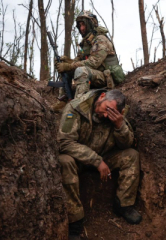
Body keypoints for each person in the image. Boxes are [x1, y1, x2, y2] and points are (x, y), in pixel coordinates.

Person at [57, 89, 141, 239]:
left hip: (104, 155)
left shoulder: (117, 115)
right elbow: (64, 142)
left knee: (131, 156)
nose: (107, 115)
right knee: (64, 161)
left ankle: (123, 204)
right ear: (102, 96)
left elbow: (127, 145)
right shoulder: (77, 107)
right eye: (107, 109)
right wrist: (96, 161)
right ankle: (74, 221)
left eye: (112, 112)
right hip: (79, 159)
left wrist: (119, 126)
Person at [52, 10, 124, 112]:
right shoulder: (85, 42)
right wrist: (66, 62)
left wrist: (69, 66)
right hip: (93, 74)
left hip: (106, 77)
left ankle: (79, 105)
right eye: (80, 25)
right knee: (68, 70)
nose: (81, 28)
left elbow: (93, 63)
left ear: (91, 24)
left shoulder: (101, 39)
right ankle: (63, 100)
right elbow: (78, 60)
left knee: (81, 71)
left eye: (84, 25)